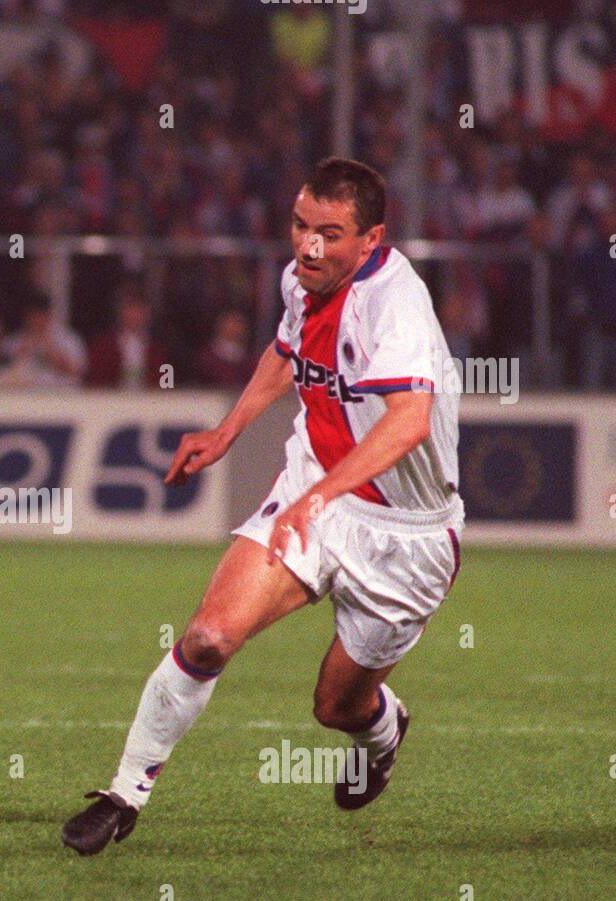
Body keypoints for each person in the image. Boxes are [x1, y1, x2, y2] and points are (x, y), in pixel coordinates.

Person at [62, 158, 462, 854]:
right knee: (209, 636)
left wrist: (321, 494)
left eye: (330, 233)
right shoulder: (302, 279)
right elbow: (287, 351)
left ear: (371, 239)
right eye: (300, 225)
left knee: (336, 706)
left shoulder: (396, 305)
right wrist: (228, 429)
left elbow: (409, 423)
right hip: (315, 495)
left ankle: (382, 729)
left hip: (408, 534)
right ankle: (124, 791)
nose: (308, 246)